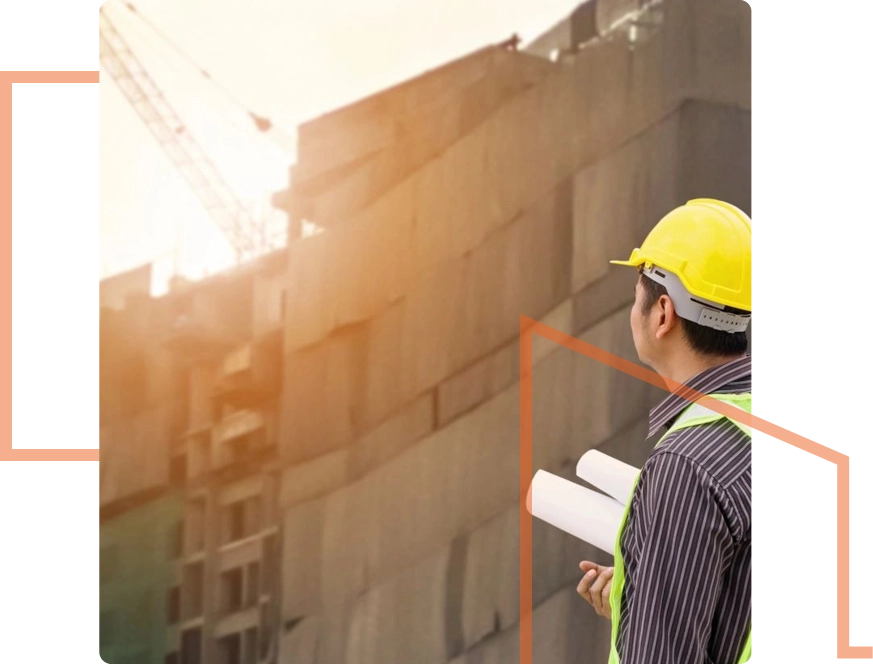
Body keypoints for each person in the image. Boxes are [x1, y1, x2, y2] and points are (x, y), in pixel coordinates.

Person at [576, 199, 752, 664]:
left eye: (637, 291)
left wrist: (654, 615)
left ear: (662, 313)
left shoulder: (688, 467)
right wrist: (644, 597)